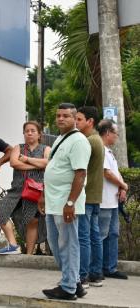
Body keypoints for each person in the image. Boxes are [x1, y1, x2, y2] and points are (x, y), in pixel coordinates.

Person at [40, 103, 90, 300]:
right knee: (55, 243)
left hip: (65, 204)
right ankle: (74, 281)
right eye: (58, 115)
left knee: (68, 245)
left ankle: (68, 288)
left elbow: (80, 173)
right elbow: (52, 168)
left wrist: (70, 203)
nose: (61, 118)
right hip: (53, 202)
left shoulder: (78, 141)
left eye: (66, 116)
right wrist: (43, 194)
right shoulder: (61, 138)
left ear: (75, 118)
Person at [0, 121, 50, 255]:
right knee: (1, 211)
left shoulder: (46, 149)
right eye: (27, 131)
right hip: (17, 189)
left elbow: (48, 162)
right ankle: (14, 245)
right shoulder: (18, 148)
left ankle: (29, 254)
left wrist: (25, 159)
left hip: (36, 190)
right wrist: (37, 165)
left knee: (32, 221)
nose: (29, 133)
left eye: (33, 131)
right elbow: (14, 163)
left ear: (39, 134)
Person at [76, 106, 105, 288]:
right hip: (94, 197)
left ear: (90, 121)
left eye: (79, 119)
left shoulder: (88, 141)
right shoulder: (97, 140)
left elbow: (80, 170)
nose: (76, 122)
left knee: (83, 238)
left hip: (86, 198)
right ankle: (95, 274)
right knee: (94, 237)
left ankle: (82, 276)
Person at [98, 120, 128, 279]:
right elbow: (107, 173)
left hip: (113, 202)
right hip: (103, 201)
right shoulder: (100, 150)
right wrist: (123, 185)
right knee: (101, 235)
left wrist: (122, 187)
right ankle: (97, 269)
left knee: (113, 234)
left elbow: (115, 172)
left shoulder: (109, 152)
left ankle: (110, 268)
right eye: (116, 133)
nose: (117, 136)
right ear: (108, 133)